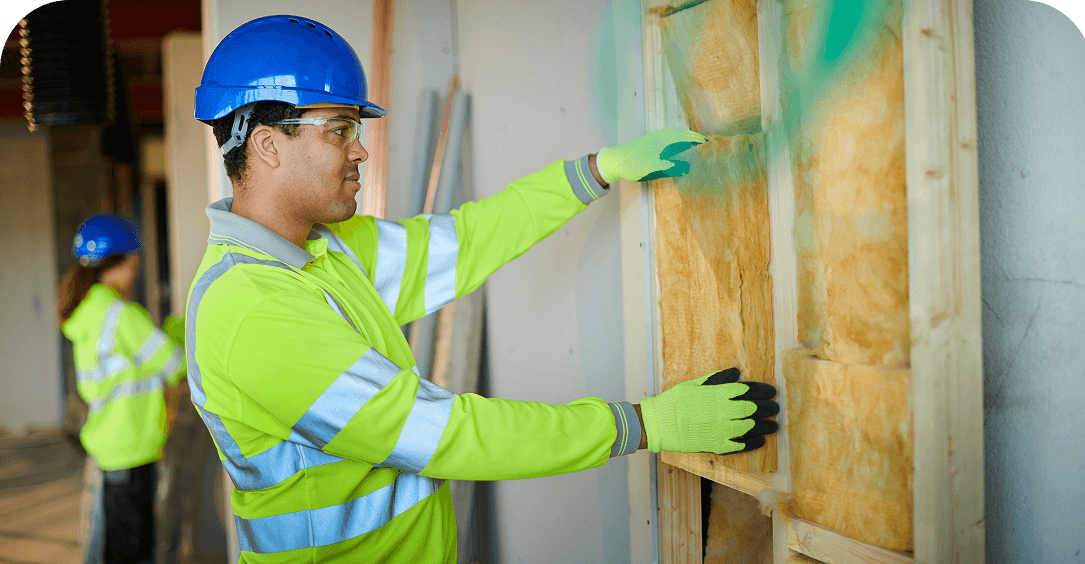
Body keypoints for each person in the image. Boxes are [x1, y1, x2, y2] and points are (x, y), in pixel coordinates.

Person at [187, 14, 779, 563]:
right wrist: (640, 425)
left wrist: (596, 170)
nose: (361, 148)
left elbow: (466, 242)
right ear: (267, 143)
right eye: (339, 129)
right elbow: (446, 434)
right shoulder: (253, 313)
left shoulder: (325, 250)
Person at [57, 213, 187, 564]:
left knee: (116, 544)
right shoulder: (121, 314)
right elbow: (175, 366)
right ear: (127, 262)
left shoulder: (90, 311)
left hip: (111, 444)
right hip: (132, 447)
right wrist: (181, 326)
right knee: (132, 548)